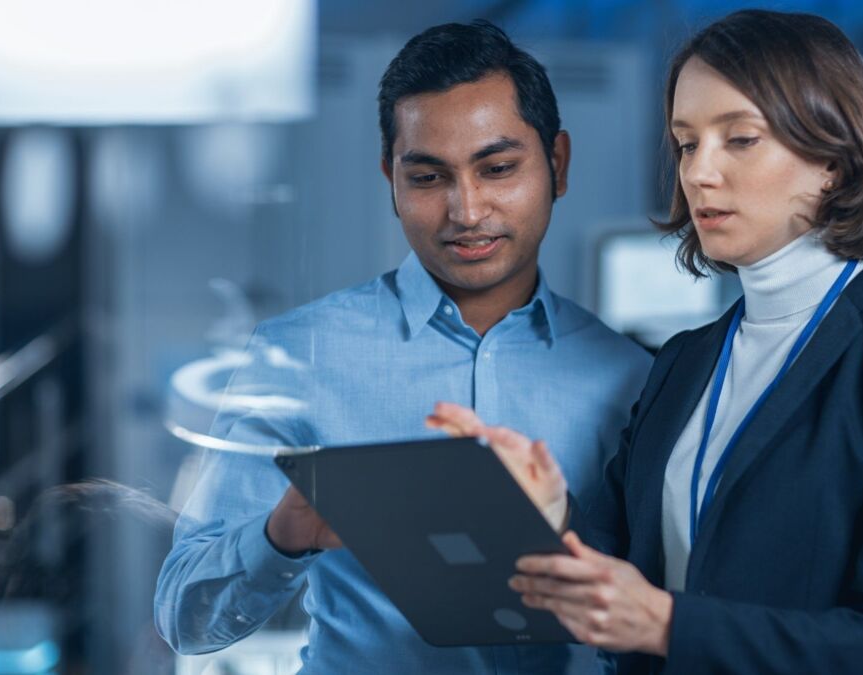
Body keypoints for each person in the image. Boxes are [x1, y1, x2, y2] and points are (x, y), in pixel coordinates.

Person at [430, 9, 863, 674]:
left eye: (739, 139)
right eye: (685, 143)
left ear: (834, 161)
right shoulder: (685, 362)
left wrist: (670, 623)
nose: (699, 173)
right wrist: (545, 507)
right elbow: (615, 586)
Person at [153, 20, 653, 675]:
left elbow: (669, 611)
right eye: (428, 177)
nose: (466, 210)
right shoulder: (299, 354)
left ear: (556, 164)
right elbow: (183, 617)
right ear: (391, 177)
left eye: (498, 168)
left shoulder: (634, 380)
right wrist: (286, 534)